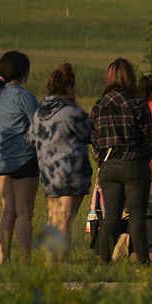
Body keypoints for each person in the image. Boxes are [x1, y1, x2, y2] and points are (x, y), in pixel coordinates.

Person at [90, 58, 152, 264]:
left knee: (111, 218)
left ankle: (104, 262)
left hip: (109, 166)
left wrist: (102, 159)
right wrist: (141, 158)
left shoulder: (99, 106)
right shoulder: (136, 103)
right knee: (136, 217)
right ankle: (143, 263)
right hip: (134, 163)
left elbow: (94, 139)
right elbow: (150, 138)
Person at [32, 62, 93, 257]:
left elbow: (29, 138)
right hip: (71, 171)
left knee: (54, 217)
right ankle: (60, 263)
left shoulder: (39, 112)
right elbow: (90, 132)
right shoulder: (72, 113)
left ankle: (50, 258)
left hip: (48, 172)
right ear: (68, 88)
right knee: (66, 218)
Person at [0, 51, 41, 264]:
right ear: (23, 72)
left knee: (7, 210)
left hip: (2, 161)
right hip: (24, 159)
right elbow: (39, 126)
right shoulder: (23, 96)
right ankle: (25, 260)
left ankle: (3, 259)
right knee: (24, 212)